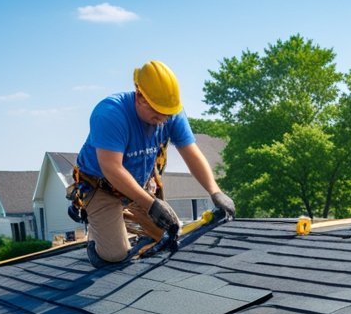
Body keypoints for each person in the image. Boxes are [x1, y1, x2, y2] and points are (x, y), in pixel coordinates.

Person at [71, 60, 235, 266]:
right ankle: (96, 227)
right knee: (115, 255)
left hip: (137, 185)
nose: (163, 120)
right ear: (140, 96)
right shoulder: (110, 113)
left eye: (167, 115)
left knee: (171, 234)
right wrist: (151, 205)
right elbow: (112, 168)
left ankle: (124, 216)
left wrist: (215, 192)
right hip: (101, 186)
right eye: (157, 113)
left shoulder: (170, 113)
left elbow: (191, 153)